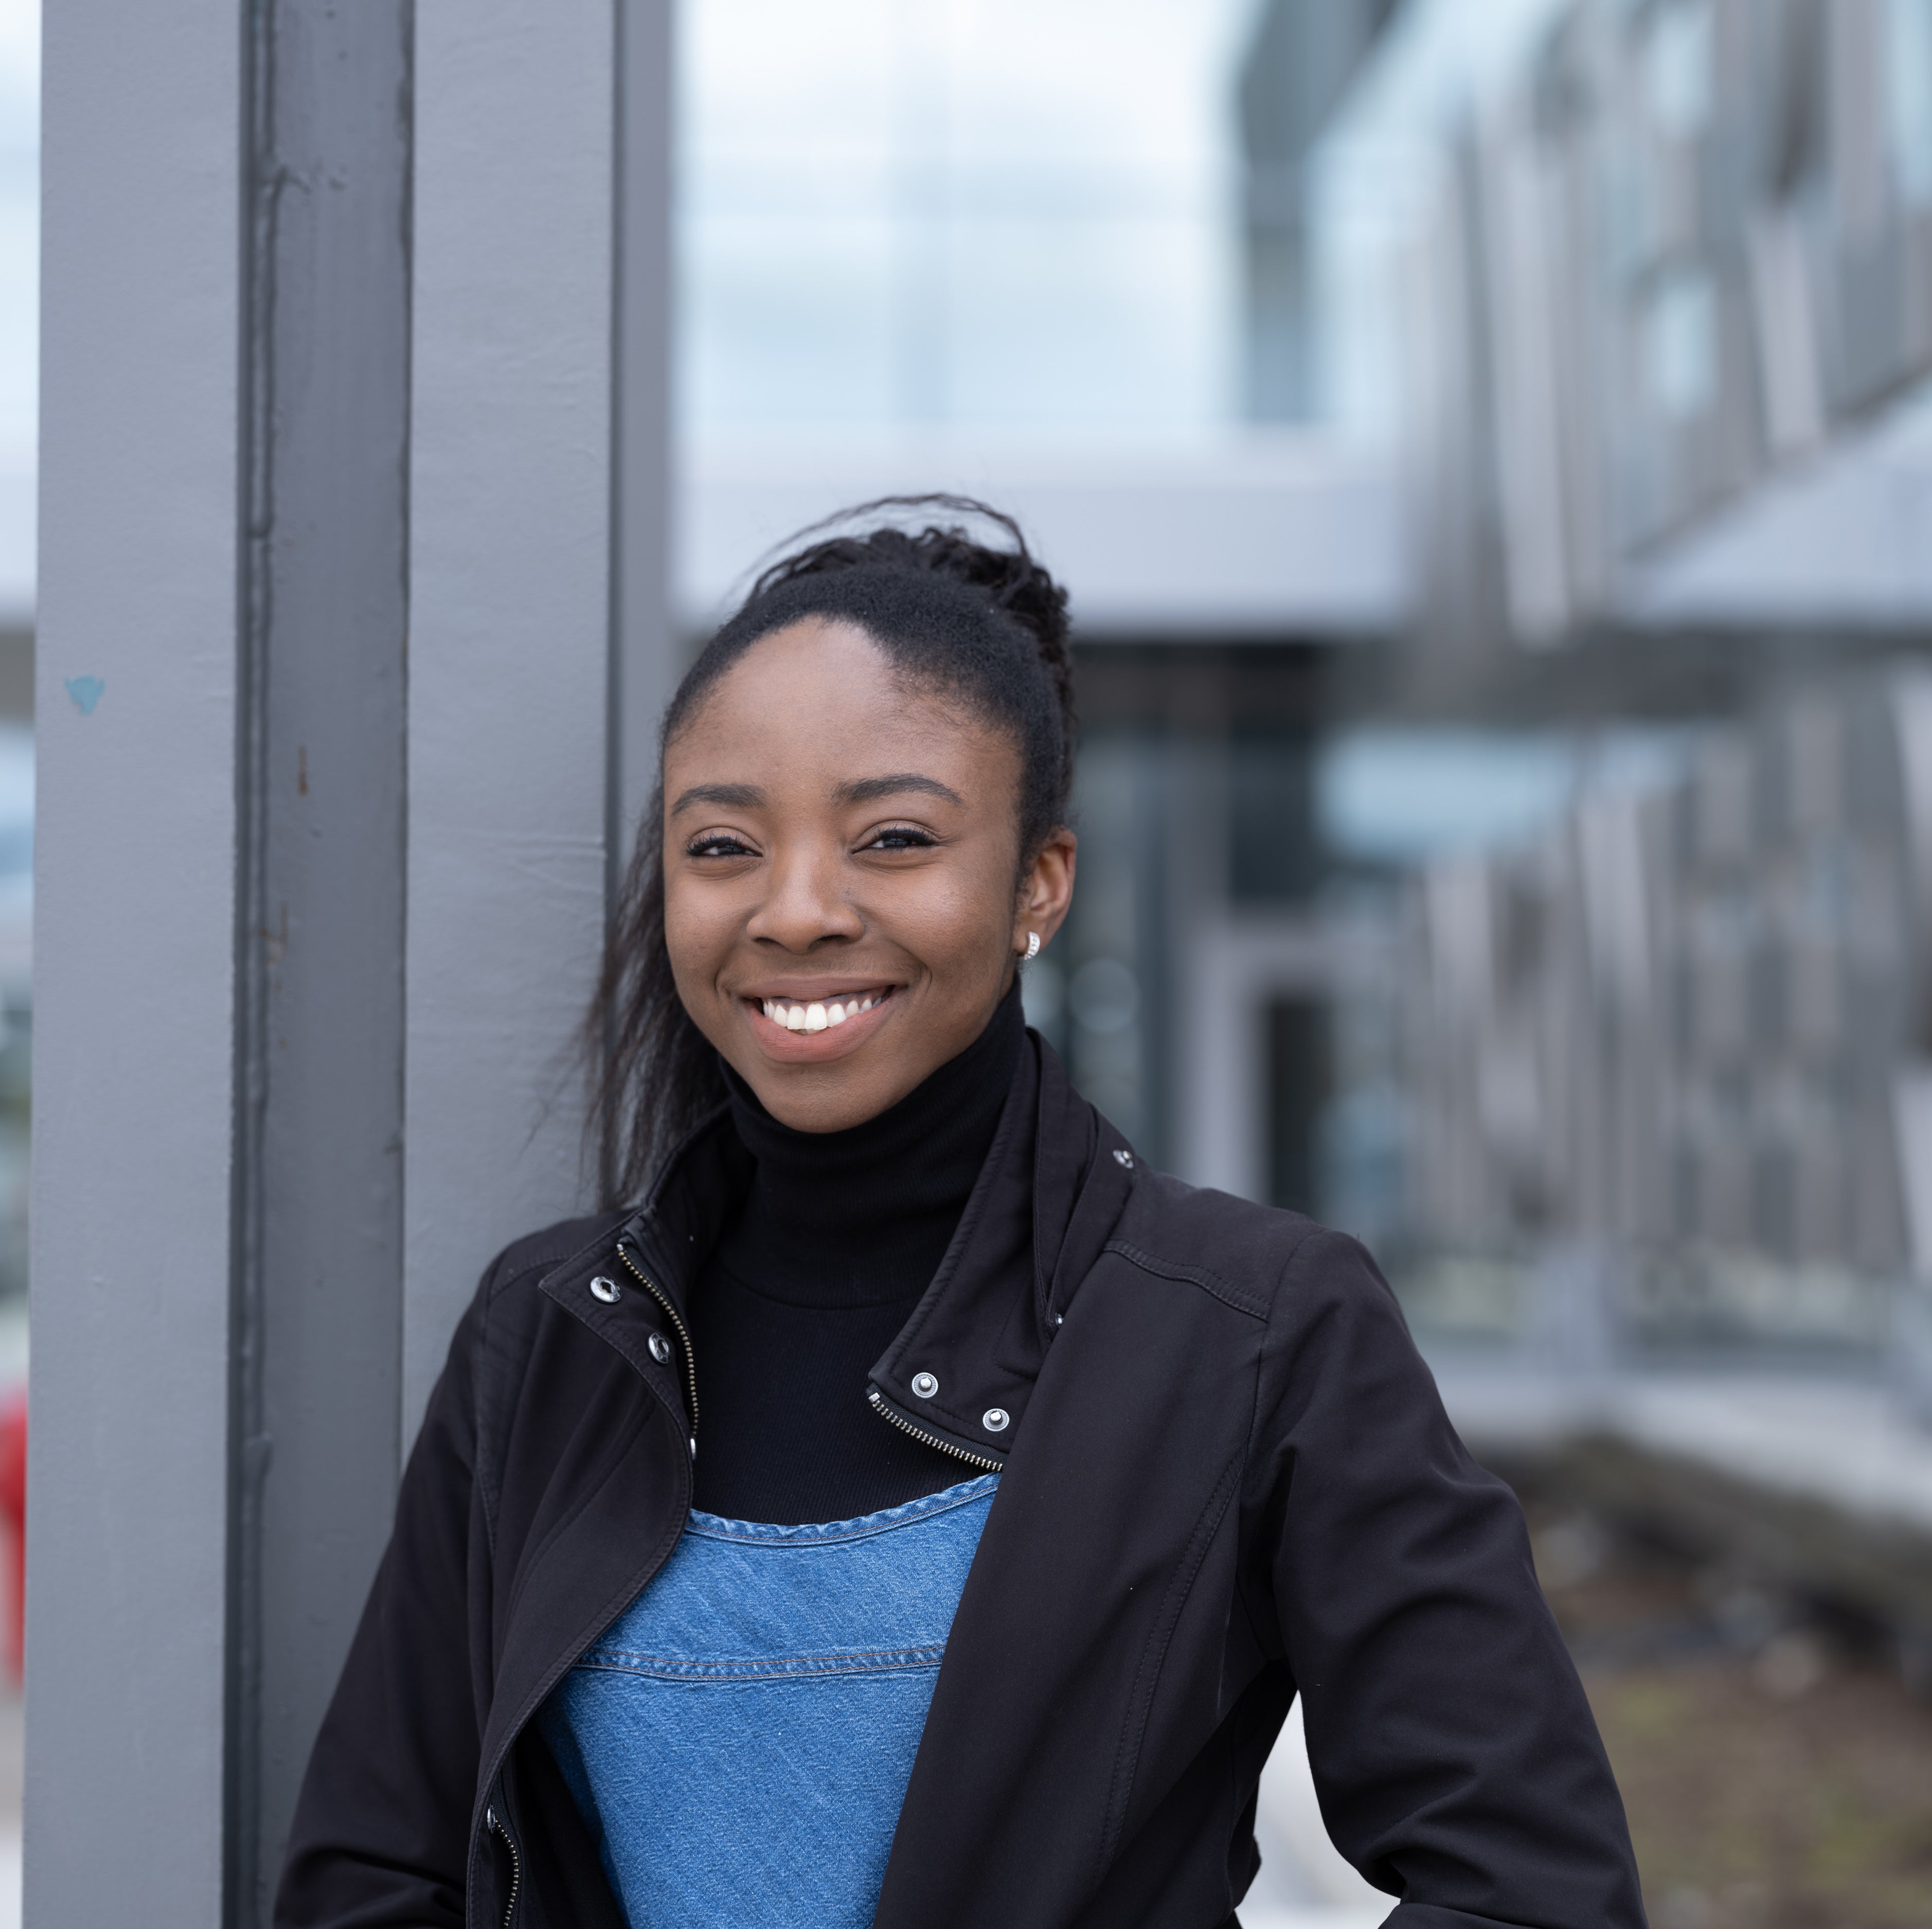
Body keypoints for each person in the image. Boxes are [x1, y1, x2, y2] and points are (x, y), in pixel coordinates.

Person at [274, 498, 1644, 1929]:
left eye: (895, 839)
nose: (795, 910)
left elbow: (1532, 1886)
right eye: (724, 847)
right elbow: (373, 1875)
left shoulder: (1257, 1328)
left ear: (1037, 883)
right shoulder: (545, 1333)